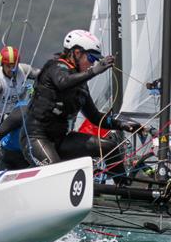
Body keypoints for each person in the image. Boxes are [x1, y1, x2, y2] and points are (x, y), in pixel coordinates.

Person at [22, 29, 146, 172]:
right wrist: (94, 71)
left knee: (109, 147)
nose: (93, 64)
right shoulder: (55, 67)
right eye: (91, 59)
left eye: (95, 61)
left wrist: (125, 125)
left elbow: (95, 117)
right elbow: (63, 82)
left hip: (62, 139)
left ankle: (122, 187)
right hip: (36, 138)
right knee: (55, 172)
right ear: (76, 53)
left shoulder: (81, 84)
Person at [0, 46, 39, 115]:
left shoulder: (24, 69)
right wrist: (2, 116)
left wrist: (36, 89)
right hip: (0, 115)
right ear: (2, 65)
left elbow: (43, 74)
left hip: (18, 112)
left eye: (14, 66)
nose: (12, 70)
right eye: (8, 66)